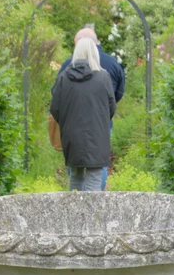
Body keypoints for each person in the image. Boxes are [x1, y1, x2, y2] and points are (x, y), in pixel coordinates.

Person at [49, 34, 116, 191]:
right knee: (94, 177)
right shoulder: (103, 78)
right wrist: (100, 120)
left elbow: (55, 108)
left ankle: (75, 213)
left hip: (72, 135)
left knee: (76, 176)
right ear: (94, 53)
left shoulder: (64, 78)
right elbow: (111, 107)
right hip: (97, 135)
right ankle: (92, 214)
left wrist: (67, 122)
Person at [59, 25, 125, 105]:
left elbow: (57, 96)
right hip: (102, 115)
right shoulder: (112, 64)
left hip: (72, 115)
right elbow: (118, 94)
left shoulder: (68, 65)